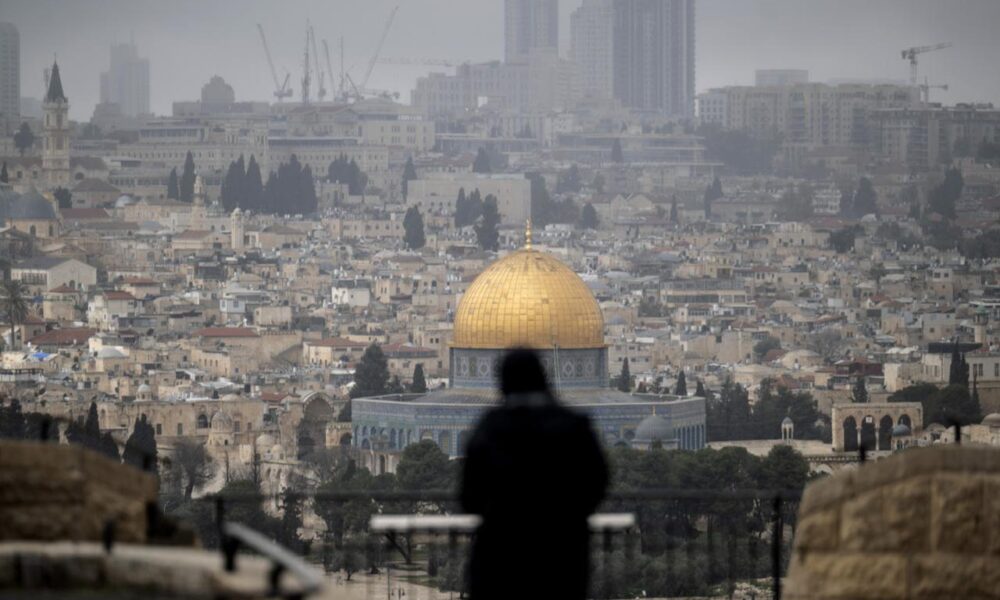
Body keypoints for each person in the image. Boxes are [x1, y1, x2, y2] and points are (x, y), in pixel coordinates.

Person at [460, 349, 608, 600]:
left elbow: (469, 496)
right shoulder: (574, 424)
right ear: (543, 377)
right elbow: (598, 483)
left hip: (500, 553)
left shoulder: (490, 427)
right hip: (562, 553)